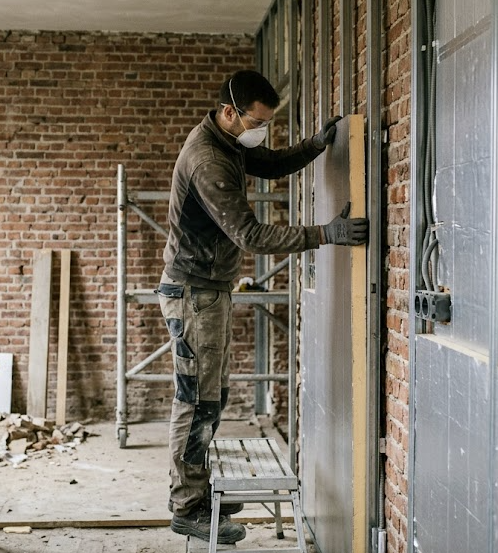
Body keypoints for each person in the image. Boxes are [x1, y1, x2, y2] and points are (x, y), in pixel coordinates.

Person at [156, 69, 368, 544]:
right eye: (257, 121)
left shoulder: (227, 139)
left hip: (207, 289)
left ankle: (199, 487)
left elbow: (267, 163)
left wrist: (313, 146)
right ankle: (187, 506)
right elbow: (250, 235)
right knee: (195, 399)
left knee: (213, 395)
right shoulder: (208, 160)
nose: (261, 130)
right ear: (231, 112)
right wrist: (323, 235)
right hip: (194, 294)